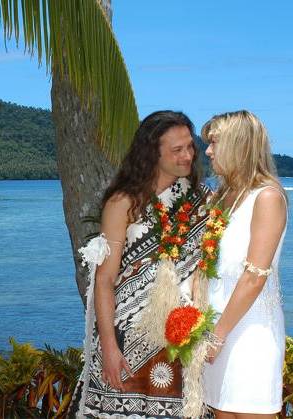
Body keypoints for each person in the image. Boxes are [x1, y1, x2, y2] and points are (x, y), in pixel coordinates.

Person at [70, 111, 209, 417]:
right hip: (125, 334)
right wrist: (108, 347)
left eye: (190, 147)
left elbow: (207, 269)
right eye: (177, 150)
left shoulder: (203, 201)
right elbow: (105, 279)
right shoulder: (123, 203)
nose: (187, 156)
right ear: (151, 154)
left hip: (180, 334)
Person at [200, 110, 287, 417]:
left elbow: (255, 276)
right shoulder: (221, 198)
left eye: (214, 143)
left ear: (238, 145)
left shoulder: (267, 198)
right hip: (215, 327)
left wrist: (217, 335)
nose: (208, 151)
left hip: (249, 332)